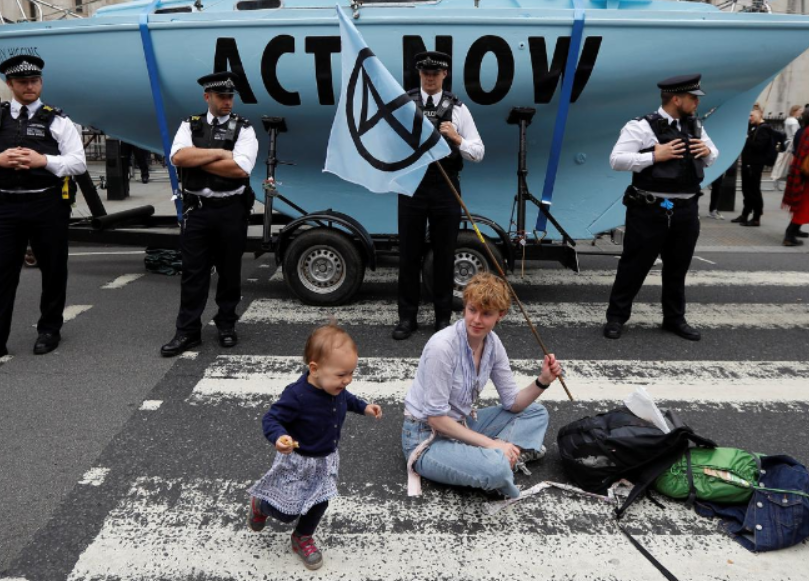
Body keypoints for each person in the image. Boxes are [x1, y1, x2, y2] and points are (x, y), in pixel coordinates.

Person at [0, 56, 86, 372]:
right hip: (5, 206)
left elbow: (78, 162)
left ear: (40, 83)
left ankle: (49, 329)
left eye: (35, 81)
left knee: (54, 270)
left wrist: (45, 162)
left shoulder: (57, 120)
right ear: (10, 85)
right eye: (23, 82)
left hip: (47, 204)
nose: (30, 86)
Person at [401, 273, 560, 499]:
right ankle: (503, 459)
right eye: (472, 310)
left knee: (536, 412)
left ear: (500, 316)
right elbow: (435, 418)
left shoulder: (493, 344)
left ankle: (499, 457)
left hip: (461, 424)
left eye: (486, 314)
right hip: (427, 437)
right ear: (465, 307)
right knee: (495, 468)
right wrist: (492, 444)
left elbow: (513, 403)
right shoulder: (442, 347)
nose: (476, 319)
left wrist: (542, 381)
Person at [247, 323, 382, 570]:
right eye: (341, 375)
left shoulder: (336, 387)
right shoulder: (297, 395)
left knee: (321, 500)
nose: (347, 380)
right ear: (315, 369)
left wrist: (363, 407)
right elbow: (271, 418)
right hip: (297, 462)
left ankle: (302, 537)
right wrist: (279, 438)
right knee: (287, 511)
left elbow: (347, 399)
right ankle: (261, 505)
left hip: (325, 459)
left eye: (351, 373)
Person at [605, 74, 718, 342]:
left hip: (686, 209)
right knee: (634, 265)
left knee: (678, 268)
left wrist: (706, 151)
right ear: (676, 99)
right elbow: (616, 160)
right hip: (650, 210)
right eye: (693, 98)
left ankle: (674, 319)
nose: (696, 103)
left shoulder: (696, 126)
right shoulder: (641, 126)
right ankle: (616, 318)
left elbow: (713, 155)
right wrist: (655, 155)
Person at [160, 71, 258, 357]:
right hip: (198, 210)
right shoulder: (190, 125)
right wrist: (222, 154)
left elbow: (241, 169)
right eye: (222, 97)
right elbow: (178, 158)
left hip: (231, 209)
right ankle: (188, 331)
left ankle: (226, 324)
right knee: (193, 273)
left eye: (230, 97)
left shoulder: (245, 128)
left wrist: (199, 159)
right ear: (208, 97)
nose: (228, 102)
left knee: (230, 272)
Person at [392, 50, 485, 341]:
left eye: (436, 73)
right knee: (409, 255)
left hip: (446, 187)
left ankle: (443, 318)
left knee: (445, 256)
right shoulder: (406, 104)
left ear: (445, 74)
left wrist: (457, 138)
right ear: (419, 74)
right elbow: (389, 145)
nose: (430, 77)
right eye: (425, 72)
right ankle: (407, 318)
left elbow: (478, 152)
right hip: (413, 186)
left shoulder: (457, 108)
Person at [781, 105, 809, 247]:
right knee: (804, 206)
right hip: (808, 174)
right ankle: (789, 236)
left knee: (804, 205)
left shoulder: (804, 130)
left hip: (800, 173)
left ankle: (793, 232)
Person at [732, 105, 772, 227]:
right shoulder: (754, 127)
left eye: (751, 115)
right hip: (747, 163)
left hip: (754, 165)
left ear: (760, 114)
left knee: (754, 191)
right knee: (746, 190)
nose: (749, 118)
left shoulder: (764, 128)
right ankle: (745, 214)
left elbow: (759, 146)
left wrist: (747, 139)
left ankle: (756, 217)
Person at [769, 105, 803, 185]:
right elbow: (795, 134)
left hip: (787, 141)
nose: (801, 111)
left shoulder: (788, 119)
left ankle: (776, 175)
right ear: (795, 111)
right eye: (800, 110)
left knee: (781, 160)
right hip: (792, 142)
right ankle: (781, 175)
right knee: (787, 161)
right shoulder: (794, 121)